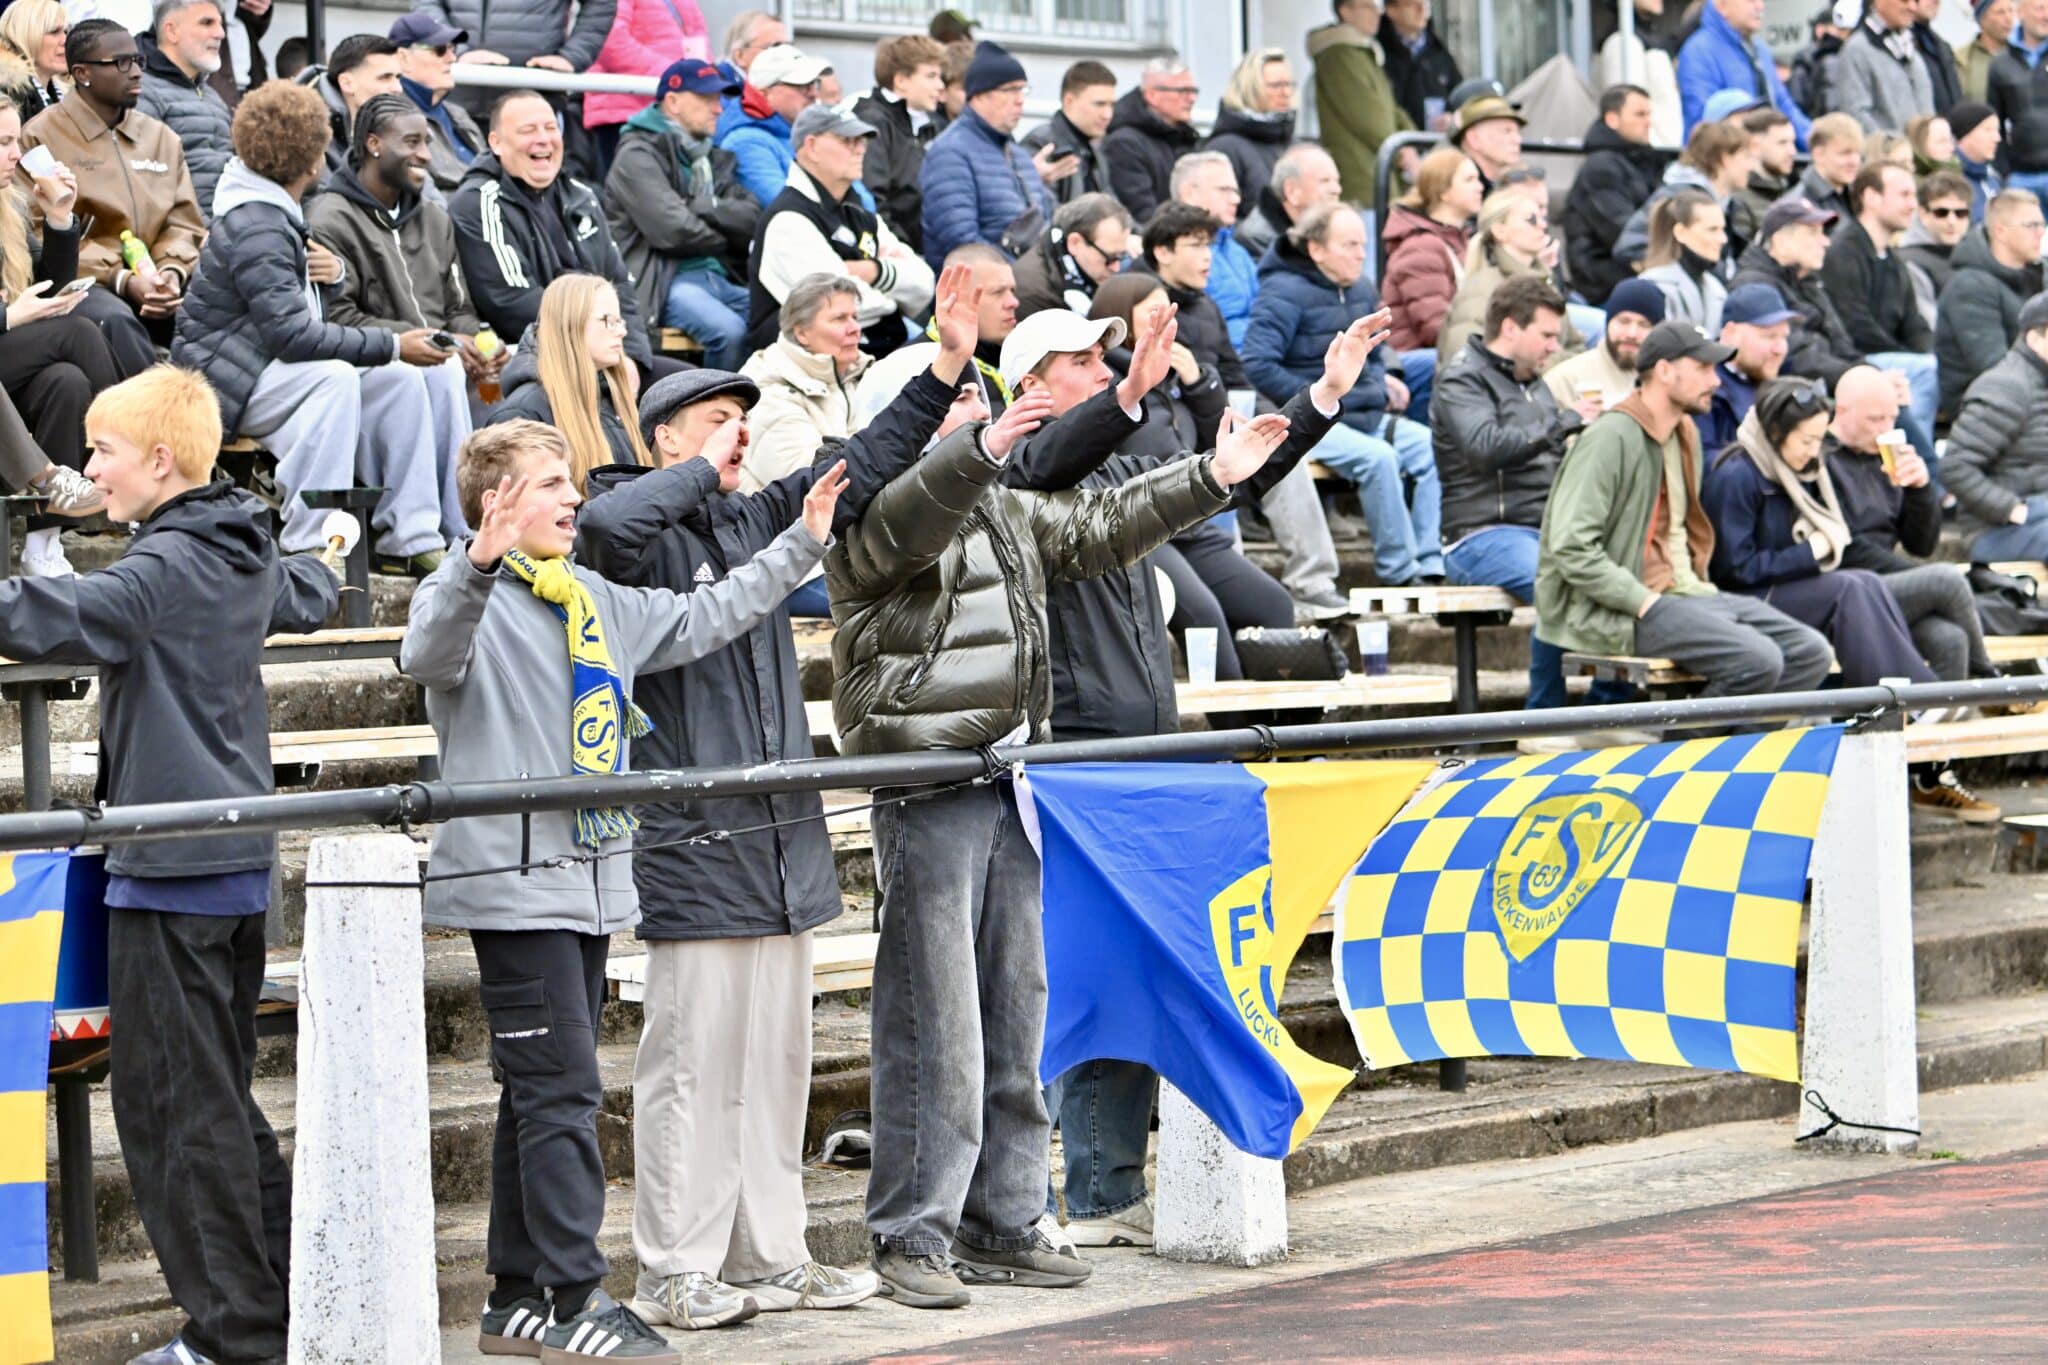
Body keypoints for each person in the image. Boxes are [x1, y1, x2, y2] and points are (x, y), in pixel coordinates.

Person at [828, 337, 1294, 1316]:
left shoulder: (998, 503)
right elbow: (910, 526)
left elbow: (1098, 526)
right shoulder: (869, 514)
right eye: (951, 406)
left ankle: (1002, 1217)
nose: (978, 414)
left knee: (1015, 1007)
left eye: (975, 400)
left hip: (1007, 774)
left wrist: (1211, 475)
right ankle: (912, 1230)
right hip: (926, 781)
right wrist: (979, 444)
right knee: (933, 1020)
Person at [576, 271, 986, 1330]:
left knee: (776, 1064)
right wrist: (696, 468)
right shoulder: (628, 527)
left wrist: (944, 366)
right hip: (691, 840)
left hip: (782, 838)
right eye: (716, 420)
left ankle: (772, 1251)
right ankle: (674, 1266)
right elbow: (606, 521)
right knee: (689, 1066)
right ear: (665, 439)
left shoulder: (759, 516)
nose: (738, 435)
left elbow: (860, 464)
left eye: (742, 422)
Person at [405, 417, 836, 1363]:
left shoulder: (595, 596)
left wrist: (801, 541)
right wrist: (476, 562)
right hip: (515, 887)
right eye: (551, 483)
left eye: (570, 481)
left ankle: (514, 1297)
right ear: (496, 503)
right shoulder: (462, 590)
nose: (574, 498)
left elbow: (708, 614)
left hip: (593, 882)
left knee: (533, 1093)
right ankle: (574, 1299)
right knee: (561, 1091)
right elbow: (426, 653)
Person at [0, 366, 334, 1365]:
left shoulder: (171, 561)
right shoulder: (236, 544)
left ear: (158, 460)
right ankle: (279, 1310)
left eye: (102, 451)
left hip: (177, 869)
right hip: (223, 859)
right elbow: (308, 592)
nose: (90, 467)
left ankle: (233, 1336)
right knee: (216, 1100)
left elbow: (51, 616)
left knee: (176, 1111)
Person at [174, 80, 457, 574]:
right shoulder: (259, 223)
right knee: (336, 377)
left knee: (400, 381)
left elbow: (291, 312)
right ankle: (311, 540)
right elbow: (292, 337)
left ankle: (410, 538)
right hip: (223, 384)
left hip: (262, 368)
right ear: (311, 161)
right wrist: (393, 344)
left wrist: (335, 276)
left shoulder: (272, 210)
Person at [1535, 320, 1833, 698]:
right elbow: (1571, 547)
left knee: (1810, 653)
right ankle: (1695, 735)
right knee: (1759, 660)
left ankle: (1732, 734)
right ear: (1664, 371)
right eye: (1703, 368)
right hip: (1628, 605)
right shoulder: (1609, 437)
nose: (1716, 380)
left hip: (1688, 591)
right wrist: (1640, 600)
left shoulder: (1685, 432)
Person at [1436, 274, 1629, 709]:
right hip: (1480, 536)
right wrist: (1564, 423)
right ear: (1510, 328)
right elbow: (1484, 448)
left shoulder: (1534, 384)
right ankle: (1543, 718)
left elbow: (1551, 457)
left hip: (1544, 531)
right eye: (1545, 335)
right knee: (1557, 587)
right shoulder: (1461, 380)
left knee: (1619, 581)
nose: (1553, 347)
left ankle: (1609, 711)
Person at [305, 92, 483, 528]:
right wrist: (419, 341)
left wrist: (477, 341)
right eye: (411, 142)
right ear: (373, 144)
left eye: (427, 143)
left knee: (498, 373)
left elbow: (460, 306)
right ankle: (438, 530)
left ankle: (474, 525)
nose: (425, 155)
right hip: (374, 368)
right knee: (438, 371)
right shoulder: (329, 218)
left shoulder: (435, 218)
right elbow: (338, 319)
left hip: (442, 364)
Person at [1699, 377, 1940, 696]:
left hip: (1782, 584)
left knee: (1867, 581)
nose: (1814, 452)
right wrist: (1809, 553)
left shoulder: (1798, 470)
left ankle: (1915, 694)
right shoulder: (1737, 476)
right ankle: (1899, 701)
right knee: (1848, 590)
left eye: (1818, 440)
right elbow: (1733, 570)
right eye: (1806, 441)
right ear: (1776, 433)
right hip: (1747, 597)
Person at [1246, 201, 1442, 586]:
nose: (1361, 254)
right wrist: (1317, 397)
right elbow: (1257, 364)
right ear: (1316, 249)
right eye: (1350, 245)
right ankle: (1401, 573)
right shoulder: (1282, 291)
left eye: (1363, 245)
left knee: (1432, 448)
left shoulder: (1362, 288)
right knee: (1380, 459)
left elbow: (1375, 352)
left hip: (1366, 413)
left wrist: (1380, 381)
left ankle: (1431, 563)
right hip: (1312, 419)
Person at [0, 99, 130, 575]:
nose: (16, 154)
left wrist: (58, 219)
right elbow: (17, 312)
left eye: (16, 141)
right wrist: (8, 316)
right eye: (3, 143)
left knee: (66, 382)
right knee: (77, 333)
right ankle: (133, 454)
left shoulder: (8, 206)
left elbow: (50, 285)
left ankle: (43, 547)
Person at [453, 89, 658, 380]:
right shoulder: (479, 202)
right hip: (538, 361)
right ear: (496, 143)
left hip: (605, 350)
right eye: (528, 130)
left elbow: (620, 285)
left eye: (551, 128)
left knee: (694, 389)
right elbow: (512, 302)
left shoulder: (581, 196)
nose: (543, 139)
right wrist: (601, 348)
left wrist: (632, 358)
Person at [24, 20, 203, 342]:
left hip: (159, 276)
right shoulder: (41, 136)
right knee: (116, 321)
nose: (136, 72)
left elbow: (184, 222)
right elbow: (38, 231)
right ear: (82, 73)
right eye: (121, 63)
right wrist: (122, 279)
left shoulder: (160, 137)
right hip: (88, 282)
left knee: (215, 308)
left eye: (138, 60)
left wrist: (170, 271)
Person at [1824, 365, 1996, 682]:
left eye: (1892, 418)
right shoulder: (1821, 459)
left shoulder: (1884, 456)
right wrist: (1919, 576)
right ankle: (1987, 678)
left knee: (1951, 640)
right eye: (1875, 419)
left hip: (1885, 583)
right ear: (1842, 410)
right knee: (1945, 580)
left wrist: (1920, 490)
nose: (1886, 428)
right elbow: (1848, 548)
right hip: (1846, 587)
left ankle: (1940, 711)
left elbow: (1922, 545)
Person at [602, 58, 757, 371]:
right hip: (664, 284)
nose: (718, 109)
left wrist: (704, 206)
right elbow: (674, 229)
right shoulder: (636, 154)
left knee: (781, 321)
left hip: (718, 277)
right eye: (707, 99)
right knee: (729, 332)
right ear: (672, 102)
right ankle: (716, 401)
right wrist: (726, 236)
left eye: (719, 99)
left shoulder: (711, 156)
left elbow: (753, 218)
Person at [745, 102, 934, 355]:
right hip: (809, 368)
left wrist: (875, 271)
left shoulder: (859, 212)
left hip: (871, 351)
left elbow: (924, 283)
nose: (860, 150)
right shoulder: (787, 219)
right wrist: (895, 297)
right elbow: (836, 308)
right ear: (812, 146)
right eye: (848, 141)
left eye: (862, 142)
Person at [491, 272, 656, 487]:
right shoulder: (523, 413)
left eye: (620, 321)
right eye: (609, 321)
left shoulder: (608, 396)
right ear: (569, 324)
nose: (623, 332)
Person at [1821, 162, 1939, 439]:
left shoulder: (1895, 260)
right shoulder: (1843, 251)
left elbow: (1914, 323)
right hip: (1857, 361)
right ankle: (1914, 450)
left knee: (1936, 364)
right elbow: (1854, 324)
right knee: (1926, 371)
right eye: (1904, 195)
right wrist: (1912, 360)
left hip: (1893, 357)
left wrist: (1923, 352)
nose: (1913, 205)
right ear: (1871, 197)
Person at [918, 40, 1054, 269]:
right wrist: (1023, 275)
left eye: (1022, 89)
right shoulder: (950, 153)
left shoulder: (1019, 157)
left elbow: (1046, 226)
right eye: (1009, 90)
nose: (1020, 99)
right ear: (978, 95)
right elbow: (961, 242)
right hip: (981, 284)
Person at [740, 273, 872, 501]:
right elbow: (809, 486)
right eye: (840, 319)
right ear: (802, 333)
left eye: (855, 317)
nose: (855, 329)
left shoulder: (864, 374)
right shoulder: (769, 392)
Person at [1943, 294, 2048, 563]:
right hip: (1999, 529)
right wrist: (2012, 509)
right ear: (2035, 339)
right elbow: (1955, 466)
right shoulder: (2007, 387)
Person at [1438, 190, 1583, 365]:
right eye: (1531, 219)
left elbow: (1575, 345)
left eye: (1542, 218)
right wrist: (1554, 363)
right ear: (1500, 231)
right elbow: (1465, 364)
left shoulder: (1544, 282)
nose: (1542, 225)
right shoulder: (1481, 291)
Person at [1937, 188, 2046, 414]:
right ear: (2000, 231)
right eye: (2031, 226)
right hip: (1986, 406)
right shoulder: (1970, 286)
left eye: (2042, 225)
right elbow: (1991, 364)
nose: (2040, 234)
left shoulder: (2035, 276)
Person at [416, 0, 620, 112]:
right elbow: (427, 5)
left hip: (533, 103)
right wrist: (457, 49)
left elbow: (601, 4)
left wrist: (573, 55)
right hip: (454, 100)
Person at [1564, 84, 1667, 306]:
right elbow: (1624, 231)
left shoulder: (1644, 161)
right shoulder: (1600, 168)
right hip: (1606, 289)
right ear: (1612, 119)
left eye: (1649, 114)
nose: (1648, 122)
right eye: (1639, 114)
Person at [136, 0, 234, 222]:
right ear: (171, 31)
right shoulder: (141, 92)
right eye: (207, 23)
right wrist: (208, 232)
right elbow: (149, 184)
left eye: (220, 24)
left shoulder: (213, 97)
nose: (220, 33)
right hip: (186, 234)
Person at [1613, 118, 1756, 269]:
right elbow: (1631, 247)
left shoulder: (1729, 204)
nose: (1751, 166)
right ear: (1725, 159)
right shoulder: (1677, 199)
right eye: (1746, 157)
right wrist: (1685, 272)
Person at [581, 0, 710, 167]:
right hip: (625, 116)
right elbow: (610, 42)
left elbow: (699, 44)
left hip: (673, 113)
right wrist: (675, 76)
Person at [1310, 0, 1414, 200]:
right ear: (1345, 11)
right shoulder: (1339, 55)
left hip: (1377, 174)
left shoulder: (1363, 52)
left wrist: (1410, 138)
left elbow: (1391, 109)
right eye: (1367, 6)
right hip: (1361, 179)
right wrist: (1403, 153)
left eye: (1377, 7)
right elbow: (1369, 119)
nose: (1377, 13)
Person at [853, 34, 948, 251]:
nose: (940, 85)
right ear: (901, 81)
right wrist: (905, 252)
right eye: (931, 76)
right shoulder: (872, 122)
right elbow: (872, 200)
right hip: (894, 251)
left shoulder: (931, 125)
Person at [1382, 147, 1481, 352]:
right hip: (1417, 357)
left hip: (1451, 350)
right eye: (1469, 180)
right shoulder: (1421, 246)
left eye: (1478, 179)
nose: (1479, 187)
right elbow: (1434, 328)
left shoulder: (1463, 240)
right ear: (1443, 191)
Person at [1677, 0, 1812, 146]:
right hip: (1729, 155)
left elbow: (1783, 105)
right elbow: (1703, 123)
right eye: (1750, 0)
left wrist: (1815, 140)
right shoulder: (1698, 51)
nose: (1760, 6)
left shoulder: (1760, 49)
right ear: (1722, 5)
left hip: (1759, 153)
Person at [714, 41, 824, 208]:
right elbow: (787, 208)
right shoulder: (745, 142)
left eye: (814, 84)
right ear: (764, 93)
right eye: (802, 85)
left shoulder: (811, 132)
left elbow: (857, 198)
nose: (814, 93)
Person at [392, 12, 486, 198]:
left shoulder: (457, 113)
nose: (452, 58)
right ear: (403, 59)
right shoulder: (395, 118)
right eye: (440, 49)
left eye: (453, 48)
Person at [1696, 281, 1795, 452]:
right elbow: (1704, 461)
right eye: (1769, 337)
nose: (1780, 349)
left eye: (1784, 337)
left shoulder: (1782, 385)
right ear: (1730, 333)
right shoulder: (1704, 388)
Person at [1169, 152, 1256, 343]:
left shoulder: (1238, 252)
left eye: (1236, 191)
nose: (1236, 199)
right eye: (1224, 190)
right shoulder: (1172, 255)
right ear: (1189, 193)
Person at [1102, 56, 1202, 220]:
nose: (1192, 99)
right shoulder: (1125, 144)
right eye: (1183, 91)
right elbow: (1142, 214)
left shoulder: (1186, 138)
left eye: (1193, 91)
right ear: (1152, 96)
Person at [1547, 278, 1666, 409]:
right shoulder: (1566, 380)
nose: (1631, 333)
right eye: (1624, 321)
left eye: (1643, 325)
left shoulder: (1667, 380)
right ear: (1608, 323)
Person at [1012, 192, 1132, 320]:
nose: (1116, 268)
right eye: (1110, 257)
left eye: (1121, 256)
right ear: (1074, 243)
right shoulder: (1034, 292)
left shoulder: (1077, 270)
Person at [1206, 48, 1296, 213]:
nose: (1286, 92)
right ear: (1249, 88)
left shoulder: (1293, 144)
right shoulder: (1225, 148)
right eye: (1276, 85)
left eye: (1289, 84)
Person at [1020, 60, 1115, 208]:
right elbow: (1043, 213)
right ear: (1069, 101)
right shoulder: (1041, 144)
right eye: (1099, 104)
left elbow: (1111, 208)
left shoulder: (1095, 151)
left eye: (1112, 105)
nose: (1107, 115)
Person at [302, 32, 400, 175]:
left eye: (398, 77)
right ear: (347, 83)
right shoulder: (309, 134)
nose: (398, 88)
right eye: (385, 77)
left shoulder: (398, 122)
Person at [1835, 0, 1935, 137]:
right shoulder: (1856, 51)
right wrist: (1891, 146)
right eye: (1904, 1)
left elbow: (1928, 112)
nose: (1912, 7)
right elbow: (1856, 115)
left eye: (1916, 1)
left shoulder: (1913, 52)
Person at [1641, 189, 1731, 335]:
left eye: (1722, 229)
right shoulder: (1653, 288)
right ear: (1680, 232)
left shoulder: (1716, 289)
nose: (1723, 239)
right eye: (1712, 230)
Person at [1599, 0, 1685, 148]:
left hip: (1664, 149)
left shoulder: (1651, 39)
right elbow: (1626, 115)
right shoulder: (1622, 42)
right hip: (1649, 151)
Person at [1237, 142, 1342, 260]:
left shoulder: (1335, 231)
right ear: (1292, 191)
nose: (1337, 190)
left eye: (1337, 181)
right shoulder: (1257, 240)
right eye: (1325, 181)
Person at [1989, 0, 2048, 205]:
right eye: (2039, 8)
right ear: (2021, 12)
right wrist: (2003, 171)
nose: (2046, 15)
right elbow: (1994, 121)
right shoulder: (2000, 64)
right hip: (2020, 176)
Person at [1900, 169, 1974, 330]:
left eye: (1960, 213)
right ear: (1923, 214)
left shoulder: (1976, 257)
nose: (1952, 221)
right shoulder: (1909, 261)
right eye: (1941, 213)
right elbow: (1927, 322)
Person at [1379, 0, 1462, 131]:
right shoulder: (1377, 53)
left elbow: (1460, 95)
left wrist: (1453, 118)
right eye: (1413, 4)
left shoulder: (1439, 51)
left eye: (1425, 4)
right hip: (1394, 139)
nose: (1422, 10)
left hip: (1438, 140)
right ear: (1391, 10)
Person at [1778, 111, 1862, 220]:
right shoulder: (1797, 206)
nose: (1854, 161)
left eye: (1857, 153)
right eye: (1845, 153)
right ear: (1819, 155)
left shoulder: (1858, 196)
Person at [1447, 79, 1525, 194]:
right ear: (1473, 138)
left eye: (1517, 131)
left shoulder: (1514, 184)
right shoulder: (1455, 190)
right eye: (1506, 131)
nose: (1517, 140)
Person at [0, 0, 69, 123]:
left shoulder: (67, 95)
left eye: (66, 32)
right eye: (54, 32)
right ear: (24, 36)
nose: (65, 40)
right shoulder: (7, 96)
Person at [1734, 107, 1799, 233]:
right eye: (1782, 143)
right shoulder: (1738, 201)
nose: (1792, 151)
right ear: (1754, 146)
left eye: (1792, 142)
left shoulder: (1791, 191)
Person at [1949, 100, 2003, 220]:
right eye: (1988, 130)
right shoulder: (1950, 181)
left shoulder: (1993, 178)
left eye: (1997, 130)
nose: (1997, 138)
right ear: (1965, 134)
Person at [1956, 0, 2014, 104]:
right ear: (1982, 19)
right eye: (2000, 12)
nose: (2009, 18)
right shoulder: (1962, 59)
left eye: (2010, 10)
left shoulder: (2021, 56)